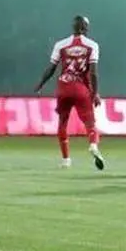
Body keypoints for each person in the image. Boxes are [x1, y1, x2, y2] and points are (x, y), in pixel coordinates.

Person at [34, 15, 105, 170]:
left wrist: (40, 84)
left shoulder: (61, 45)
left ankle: (66, 159)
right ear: (85, 28)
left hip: (64, 88)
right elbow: (93, 73)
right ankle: (93, 145)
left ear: (73, 27)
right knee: (90, 123)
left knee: (62, 123)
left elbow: (51, 68)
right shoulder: (92, 45)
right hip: (81, 89)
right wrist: (94, 93)